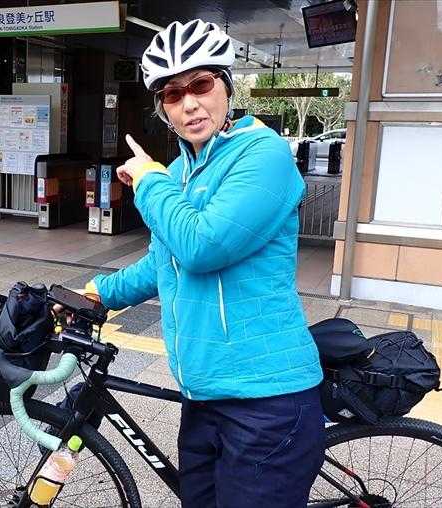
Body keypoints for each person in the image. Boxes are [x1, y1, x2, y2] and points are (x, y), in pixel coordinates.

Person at [82, 19, 325, 507]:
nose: (190, 103)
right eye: (173, 95)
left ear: (226, 87)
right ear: (164, 110)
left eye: (201, 85)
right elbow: (164, 263)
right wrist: (93, 295)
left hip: (266, 399)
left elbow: (202, 246)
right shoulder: (178, 171)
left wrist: (149, 181)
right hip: (203, 394)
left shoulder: (264, 156)